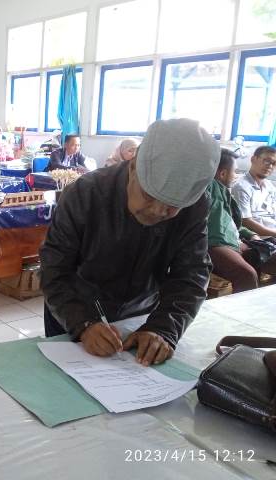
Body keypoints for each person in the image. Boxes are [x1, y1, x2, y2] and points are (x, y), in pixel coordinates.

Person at [40, 118, 219, 366]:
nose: (157, 211)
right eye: (149, 195)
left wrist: (163, 328)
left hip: (141, 315)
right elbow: (54, 268)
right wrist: (83, 324)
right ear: (133, 166)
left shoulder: (194, 205)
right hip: (73, 308)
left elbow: (192, 274)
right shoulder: (86, 193)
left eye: (171, 207)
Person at [207, 149, 272, 293]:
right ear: (223, 174)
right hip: (214, 244)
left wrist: (249, 234)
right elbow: (215, 226)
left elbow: (228, 220)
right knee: (247, 275)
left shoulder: (223, 191)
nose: (236, 175)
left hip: (233, 241)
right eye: (235, 171)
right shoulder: (210, 187)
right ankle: (243, 314)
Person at [231, 146, 276, 237]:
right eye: (267, 161)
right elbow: (246, 221)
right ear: (253, 159)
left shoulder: (270, 186)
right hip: (259, 237)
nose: (270, 166)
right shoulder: (241, 187)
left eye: (274, 163)